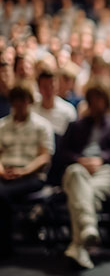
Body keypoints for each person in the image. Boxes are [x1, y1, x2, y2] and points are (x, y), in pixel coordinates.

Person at [56, 77, 110, 269]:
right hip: (79, 170)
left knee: (80, 193)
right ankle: (88, 227)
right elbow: (63, 153)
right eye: (93, 98)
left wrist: (102, 159)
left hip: (106, 171)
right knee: (74, 172)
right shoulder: (77, 125)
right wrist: (80, 160)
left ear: (106, 100)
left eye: (100, 98)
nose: (96, 103)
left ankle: (77, 245)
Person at [0, 82, 54, 257]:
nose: (19, 104)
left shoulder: (42, 125)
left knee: (1, 194)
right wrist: (1, 170)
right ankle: (22, 223)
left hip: (31, 175)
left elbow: (45, 157)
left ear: (29, 101)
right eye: (16, 100)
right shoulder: (2, 125)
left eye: (23, 99)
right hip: (5, 172)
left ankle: (7, 242)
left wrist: (24, 171)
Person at [32, 68, 77, 136]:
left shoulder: (68, 110)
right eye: (45, 87)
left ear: (57, 86)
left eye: (52, 86)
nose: (49, 90)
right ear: (39, 88)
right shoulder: (31, 111)